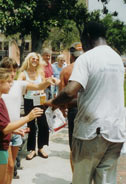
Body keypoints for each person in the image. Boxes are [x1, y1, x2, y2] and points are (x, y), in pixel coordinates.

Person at [45, 21, 126, 184]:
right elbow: (96, 95)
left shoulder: (87, 58)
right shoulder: (117, 58)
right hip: (116, 131)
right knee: (105, 180)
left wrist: (54, 102)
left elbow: (69, 92)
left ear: (87, 37)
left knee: (82, 179)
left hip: (91, 132)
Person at [0, 57, 54, 184]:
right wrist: (28, 117)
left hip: (10, 132)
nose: (12, 77)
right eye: (9, 72)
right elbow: (2, 126)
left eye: (15, 70)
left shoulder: (0, 96)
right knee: (1, 175)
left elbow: (37, 86)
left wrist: (14, 131)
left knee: (10, 166)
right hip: (0, 139)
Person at [18, 52, 51, 160]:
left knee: (43, 124)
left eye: (37, 59)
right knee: (31, 125)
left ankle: (41, 147)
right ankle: (32, 150)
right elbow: (19, 87)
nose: (35, 61)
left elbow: (42, 86)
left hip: (38, 100)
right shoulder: (23, 73)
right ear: (28, 60)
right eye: (33, 59)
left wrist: (41, 92)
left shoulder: (40, 72)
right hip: (28, 101)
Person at [58, 44, 83, 174]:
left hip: (73, 110)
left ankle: (76, 179)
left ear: (71, 55)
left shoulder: (66, 70)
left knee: (74, 147)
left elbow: (62, 94)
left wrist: (62, 109)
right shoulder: (91, 68)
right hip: (90, 109)